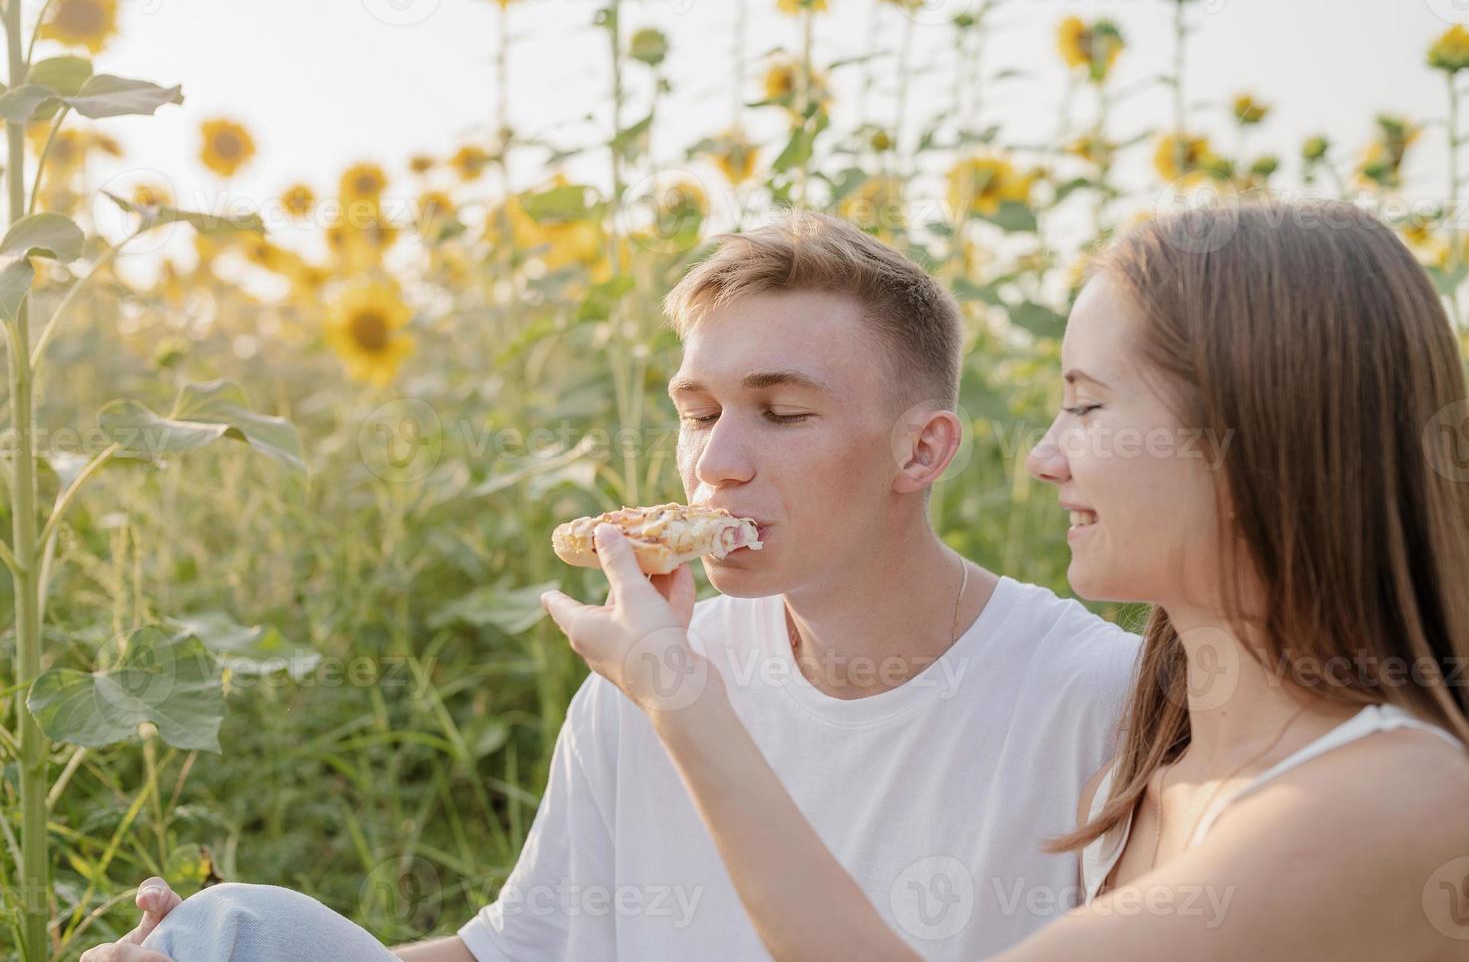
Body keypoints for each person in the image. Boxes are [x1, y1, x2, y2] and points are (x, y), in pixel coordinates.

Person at [82, 212, 1141, 961]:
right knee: (232, 931)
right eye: (697, 409)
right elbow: (520, 949)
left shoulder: (1094, 699)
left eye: (781, 412)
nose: (715, 462)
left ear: (920, 451)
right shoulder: (644, 673)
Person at [539, 199, 1469, 961]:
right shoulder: (1142, 773)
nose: (1042, 458)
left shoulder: (1399, 798)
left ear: (1253, 442)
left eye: (1087, 407)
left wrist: (679, 699)